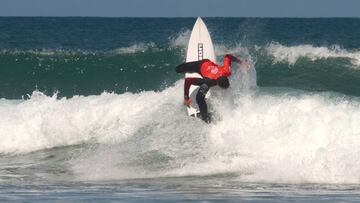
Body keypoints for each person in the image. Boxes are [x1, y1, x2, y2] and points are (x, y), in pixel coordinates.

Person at [175, 54, 244, 123]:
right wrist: (186, 98)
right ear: (217, 84)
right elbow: (188, 80)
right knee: (177, 70)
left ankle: (205, 116)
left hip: (208, 65)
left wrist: (241, 62)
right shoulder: (209, 82)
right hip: (200, 65)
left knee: (199, 97)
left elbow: (228, 56)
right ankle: (205, 118)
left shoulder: (226, 71)